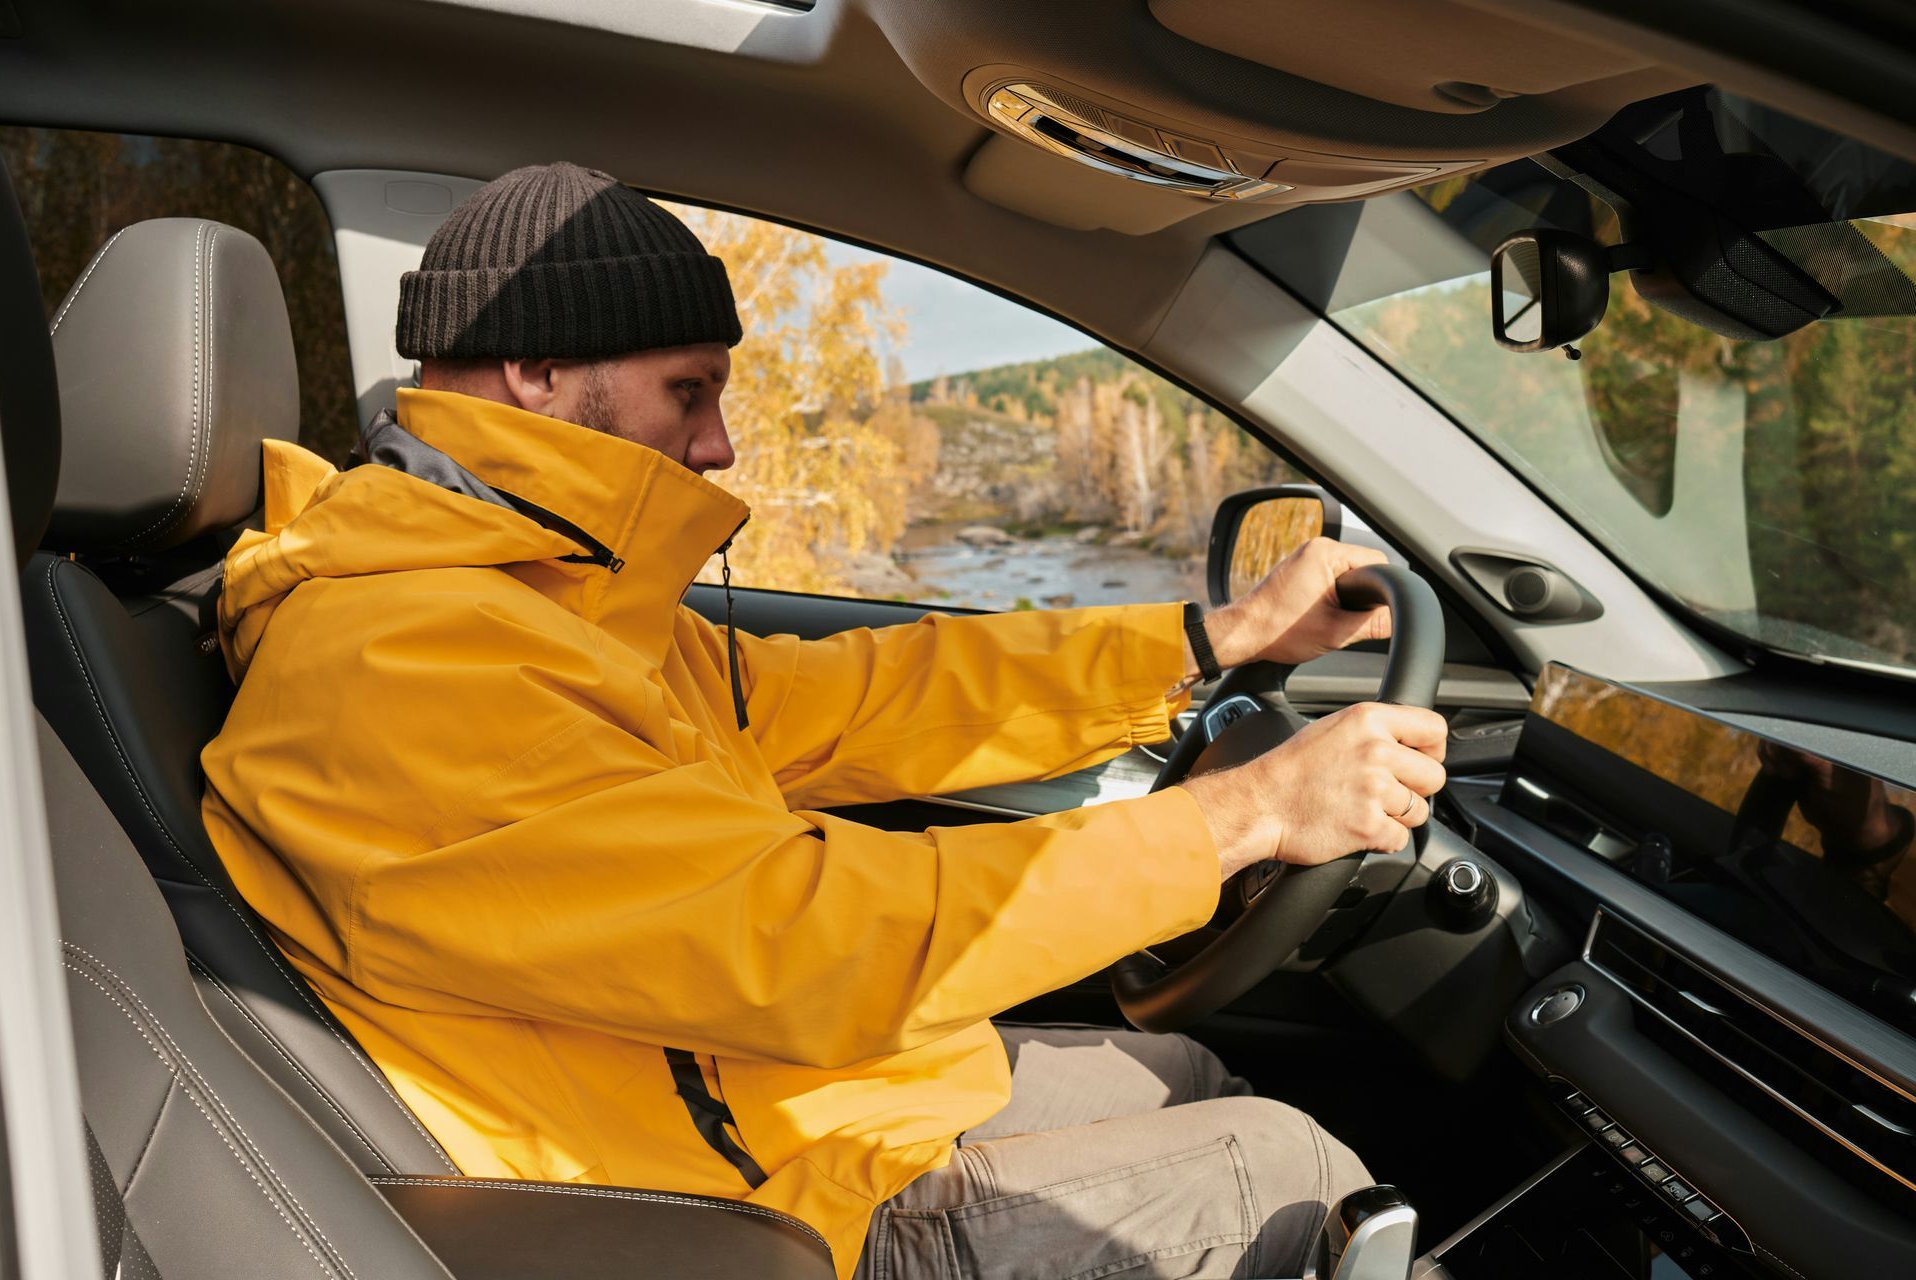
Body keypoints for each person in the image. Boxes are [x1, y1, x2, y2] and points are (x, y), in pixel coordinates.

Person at [202, 162, 1449, 1280]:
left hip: (751, 1101)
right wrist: (1246, 812)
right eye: (688, 391)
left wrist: (1213, 641)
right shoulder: (409, 659)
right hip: (708, 1209)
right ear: (534, 369)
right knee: (1284, 1166)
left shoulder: (544, 605)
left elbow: (872, 696)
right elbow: (801, 938)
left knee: (1187, 1075)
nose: (721, 442)